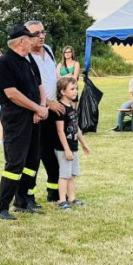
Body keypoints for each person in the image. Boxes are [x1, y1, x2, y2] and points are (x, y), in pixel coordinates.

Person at [0, 25, 48, 220]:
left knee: (32, 160)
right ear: (21, 41)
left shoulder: (28, 61)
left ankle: (22, 201)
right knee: (15, 162)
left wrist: (40, 108)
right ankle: (1, 206)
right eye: (30, 36)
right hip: (16, 119)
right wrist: (37, 108)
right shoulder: (4, 63)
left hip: (34, 116)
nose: (34, 39)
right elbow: (12, 93)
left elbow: (38, 86)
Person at [23, 20, 62, 206]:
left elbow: (53, 77)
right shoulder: (25, 57)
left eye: (42, 32)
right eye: (36, 33)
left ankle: (54, 192)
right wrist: (46, 104)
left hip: (55, 110)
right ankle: (27, 196)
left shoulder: (48, 49)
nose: (41, 36)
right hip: (38, 111)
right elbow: (29, 88)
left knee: (54, 153)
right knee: (34, 155)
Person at [54, 77, 90, 210]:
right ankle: (62, 200)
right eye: (72, 89)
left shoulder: (72, 107)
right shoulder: (61, 109)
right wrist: (67, 149)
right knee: (64, 175)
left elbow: (77, 128)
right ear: (62, 91)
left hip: (73, 147)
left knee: (72, 174)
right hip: (64, 149)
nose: (75, 91)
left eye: (76, 89)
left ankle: (72, 198)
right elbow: (60, 131)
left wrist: (83, 143)